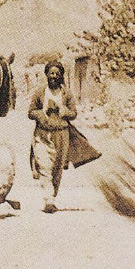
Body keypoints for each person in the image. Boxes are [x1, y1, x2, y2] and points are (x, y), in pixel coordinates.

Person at [28, 61, 77, 213]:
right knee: (44, 166)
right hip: (43, 134)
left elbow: (73, 113)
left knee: (57, 169)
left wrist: (63, 111)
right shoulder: (40, 92)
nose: (54, 76)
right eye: (51, 73)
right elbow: (30, 112)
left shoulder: (66, 93)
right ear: (46, 75)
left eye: (57, 73)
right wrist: (42, 114)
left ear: (61, 75)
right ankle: (48, 200)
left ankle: (52, 197)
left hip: (61, 134)